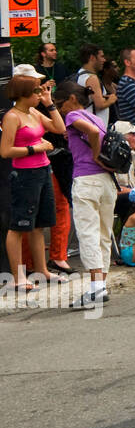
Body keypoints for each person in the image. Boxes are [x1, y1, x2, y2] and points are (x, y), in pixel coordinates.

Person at [2, 74, 67, 293]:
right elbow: (5, 150)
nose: (41, 94)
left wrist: (50, 104)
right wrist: (34, 148)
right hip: (25, 175)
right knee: (19, 225)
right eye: (37, 92)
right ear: (24, 94)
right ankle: (17, 276)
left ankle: (42, 270)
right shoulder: (13, 116)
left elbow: (59, 128)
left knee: (40, 224)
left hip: (43, 170)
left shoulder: (33, 112)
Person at [55, 82, 117, 309]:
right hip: (106, 182)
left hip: (86, 180)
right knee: (103, 233)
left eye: (59, 103)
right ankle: (101, 285)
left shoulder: (73, 115)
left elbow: (88, 133)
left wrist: (95, 154)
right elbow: (93, 131)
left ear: (72, 99)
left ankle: (95, 288)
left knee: (87, 233)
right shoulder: (98, 119)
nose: (59, 109)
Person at [76, 44, 116, 126]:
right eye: (101, 56)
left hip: (85, 124)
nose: (104, 60)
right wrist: (112, 99)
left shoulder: (80, 74)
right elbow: (99, 104)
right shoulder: (92, 78)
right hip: (95, 126)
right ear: (92, 58)